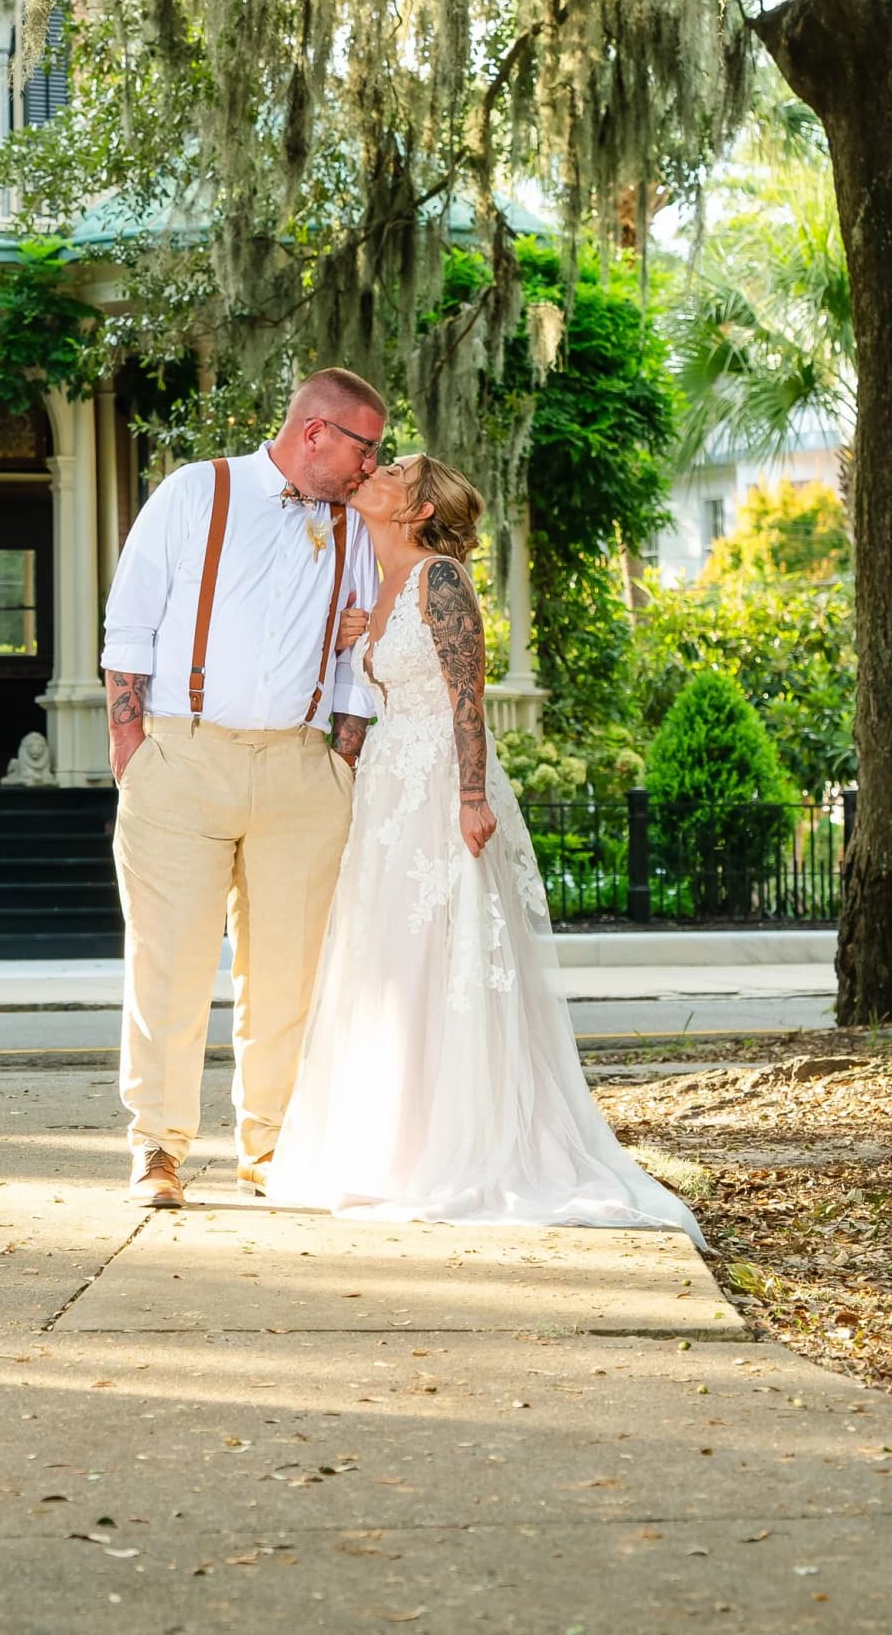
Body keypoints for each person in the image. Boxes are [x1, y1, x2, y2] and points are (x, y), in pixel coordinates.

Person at [268, 453, 701, 1236]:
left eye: (392, 469)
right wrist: (360, 641)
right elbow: (392, 681)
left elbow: (469, 693)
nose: (375, 469)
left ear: (417, 507)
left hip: (439, 785)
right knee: (394, 960)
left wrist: (471, 795)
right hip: (390, 789)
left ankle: (463, 1145)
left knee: (445, 955)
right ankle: (397, 1142)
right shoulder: (383, 581)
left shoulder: (441, 578)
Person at [100, 369, 386, 1208]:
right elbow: (129, 624)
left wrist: (343, 758)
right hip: (182, 761)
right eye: (365, 449)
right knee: (169, 964)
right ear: (315, 433)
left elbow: (358, 660)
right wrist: (133, 750)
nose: (372, 466)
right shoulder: (197, 492)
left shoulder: (356, 528)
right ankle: (157, 1148)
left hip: (302, 770)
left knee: (289, 974)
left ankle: (274, 1149)